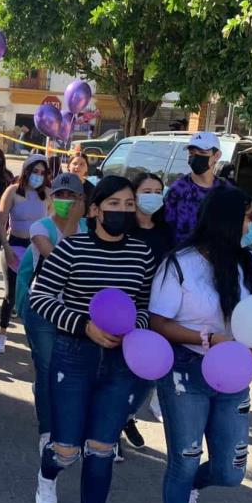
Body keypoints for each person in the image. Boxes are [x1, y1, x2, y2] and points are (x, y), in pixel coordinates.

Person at [28, 175, 156, 503]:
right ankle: (47, 473)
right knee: (67, 451)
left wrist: (134, 326)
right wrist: (84, 325)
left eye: (129, 204)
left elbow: (146, 306)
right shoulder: (72, 249)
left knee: (101, 452)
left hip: (120, 363)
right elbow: (39, 297)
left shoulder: (142, 253)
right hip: (74, 356)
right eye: (114, 204)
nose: (123, 211)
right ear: (96, 209)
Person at [148, 186, 252, 503]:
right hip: (185, 371)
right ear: (227, 220)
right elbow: (158, 321)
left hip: (234, 374)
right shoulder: (180, 263)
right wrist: (206, 338)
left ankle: (193, 489)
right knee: (183, 463)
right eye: (249, 217)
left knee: (231, 472)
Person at [20, 172, 87, 454]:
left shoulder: (90, 228)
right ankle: (47, 430)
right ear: (51, 198)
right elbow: (62, 260)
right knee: (47, 369)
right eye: (60, 195)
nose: (65, 200)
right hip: (43, 308)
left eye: (72, 196)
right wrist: (72, 222)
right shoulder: (40, 227)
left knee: (70, 369)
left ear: (82, 200)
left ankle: (66, 416)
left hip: (74, 309)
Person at [112, 171, 173, 460]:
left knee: (149, 375)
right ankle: (109, 433)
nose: (153, 196)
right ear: (133, 196)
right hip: (125, 311)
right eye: (146, 190)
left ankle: (125, 415)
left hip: (158, 313)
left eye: (157, 191)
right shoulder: (121, 229)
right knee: (121, 373)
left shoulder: (167, 231)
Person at [0, 154, 49, 351]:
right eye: (35, 171)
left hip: (37, 248)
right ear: (26, 171)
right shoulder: (12, 191)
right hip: (15, 246)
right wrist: (6, 248)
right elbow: (1, 222)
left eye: (43, 173)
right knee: (11, 294)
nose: (39, 176)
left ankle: (34, 337)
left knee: (34, 295)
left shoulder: (48, 194)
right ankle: (2, 334)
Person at [163, 131, 228, 245]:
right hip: (182, 256)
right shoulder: (178, 190)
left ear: (216, 155)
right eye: (191, 152)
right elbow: (166, 227)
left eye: (202, 152)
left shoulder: (226, 191)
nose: (196, 157)